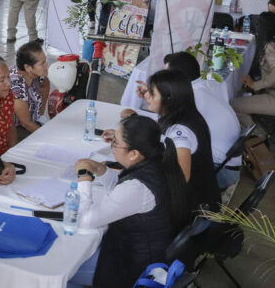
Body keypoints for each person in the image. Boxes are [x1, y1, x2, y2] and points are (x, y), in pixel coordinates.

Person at [67, 116, 189, 288]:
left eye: (115, 143)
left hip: (131, 268)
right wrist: (101, 170)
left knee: (63, 275)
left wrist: (84, 178)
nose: (112, 147)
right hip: (142, 253)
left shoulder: (137, 187)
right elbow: (123, 186)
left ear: (134, 154)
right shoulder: (156, 162)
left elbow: (84, 220)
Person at [129, 69, 220, 212]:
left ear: (168, 98)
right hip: (202, 197)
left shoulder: (180, 133)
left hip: (192, 208)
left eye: (152, 93)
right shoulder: (186, 113)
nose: (147, 97)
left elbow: (180, 181)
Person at [232, 12, 275, 127]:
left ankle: (257, 138)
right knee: (243, 96)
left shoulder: (272, 46)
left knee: (234, 105)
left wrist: (257, 85)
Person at [10, 42, 51, 136]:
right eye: (42, 63)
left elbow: (45, 84)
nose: (46, 65)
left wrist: (40, 116)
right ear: (28, 67)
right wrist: (48, 136)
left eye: (45, 61)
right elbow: (26, 123)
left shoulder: (39, 76)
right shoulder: (17, 85)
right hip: (16, 129)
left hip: (31, 122)